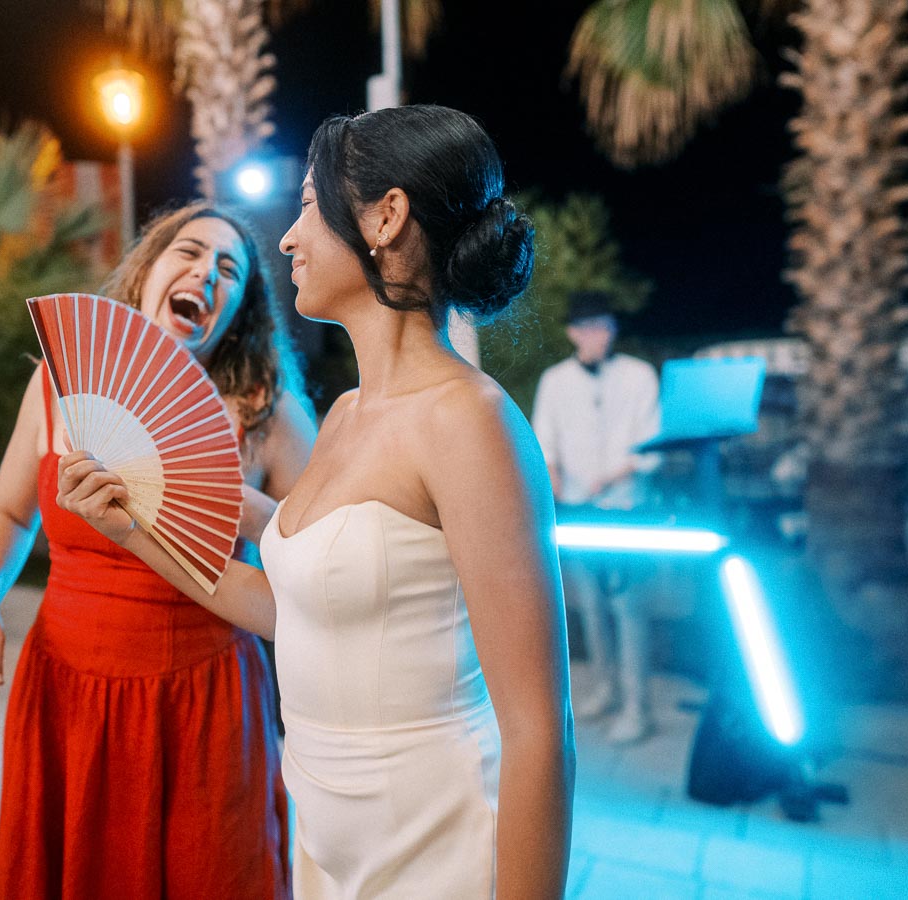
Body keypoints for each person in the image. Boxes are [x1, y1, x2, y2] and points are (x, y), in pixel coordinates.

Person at [58, 106, 575, 898]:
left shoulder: (471, 422)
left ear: (385, 217)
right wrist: (132, 530)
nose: (289, 238)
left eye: (306, 206)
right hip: (327, 843)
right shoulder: (341, 417)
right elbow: (283, 609)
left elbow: (539, 729)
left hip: (437, 837)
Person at [0, 201, 316, 899]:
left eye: (228, 269)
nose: (206, 272)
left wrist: (243, 507)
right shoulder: (59, 382)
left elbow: (325, 553)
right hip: (68, 685)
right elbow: (6, 512)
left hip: (204, 695)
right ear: (147, 270)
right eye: (191, 251)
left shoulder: (268, 411)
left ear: (239, 309)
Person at [531, 290, 661, 744]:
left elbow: (649, 445)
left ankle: (636, 706)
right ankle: (605, 689)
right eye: (588, 327)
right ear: (572, 332)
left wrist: (610, 477)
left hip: (627, 511)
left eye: (604, 326)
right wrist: (557, 484)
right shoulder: (555, 380)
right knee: (589, 607)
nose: (597, 335)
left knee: (629, 609)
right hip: (578, 513)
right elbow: (545, 442)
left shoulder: (639, 376)